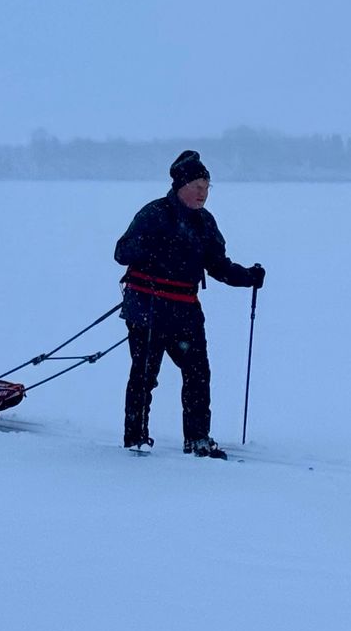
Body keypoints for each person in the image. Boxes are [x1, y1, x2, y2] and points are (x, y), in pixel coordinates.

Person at [113, 150, 265, 457]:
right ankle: (135, 439)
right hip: (147, 308)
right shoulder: (153, 214)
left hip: (185, 310)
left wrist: (248, 276)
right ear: (181, 185)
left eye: (207, 186)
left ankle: (197, 439)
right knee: (144, 375)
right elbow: (122, 252)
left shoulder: (205, 223)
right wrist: (151, 245)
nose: (203, 192)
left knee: (198, 374)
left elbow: (219, 266)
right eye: (198, 185)